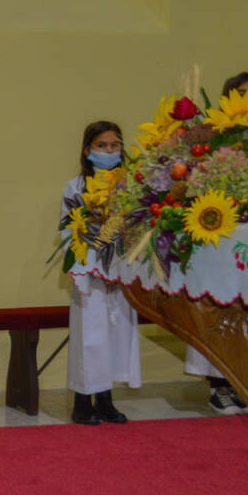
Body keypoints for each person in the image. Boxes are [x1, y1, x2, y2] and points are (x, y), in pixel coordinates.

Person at [180, 71, 248, 415]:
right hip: (221, 238)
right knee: (219, 305)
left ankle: (246, 382)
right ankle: (219, 384)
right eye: (244, 93)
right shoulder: (215, 135)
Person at [61, 121, 141, 425]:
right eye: (102, 145)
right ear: (87, 150)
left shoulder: (129, 185)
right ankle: (82, 402)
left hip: (119, 269)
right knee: (90, 335)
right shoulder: (75, 186)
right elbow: (70, 229)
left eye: (114, 145)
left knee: (116, 333)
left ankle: (106, 399)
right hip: (90, 269)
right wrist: (89, 254)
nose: (109, 151)